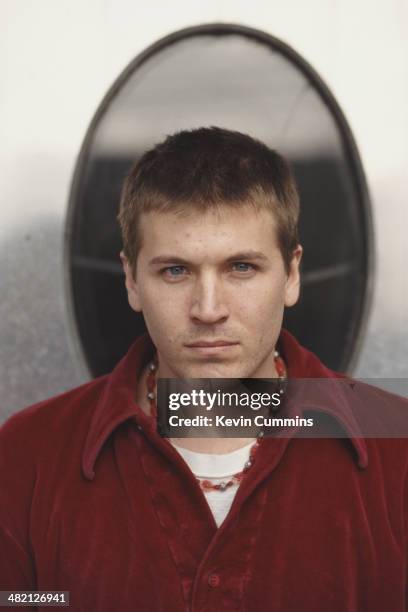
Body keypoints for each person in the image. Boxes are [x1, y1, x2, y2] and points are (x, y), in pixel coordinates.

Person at [0, 127, 407, 611]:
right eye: (176, 270)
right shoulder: (27, 455)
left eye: (241, 268)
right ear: (132, 279)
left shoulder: (397, 452)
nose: (209, 309)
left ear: (292, 274)